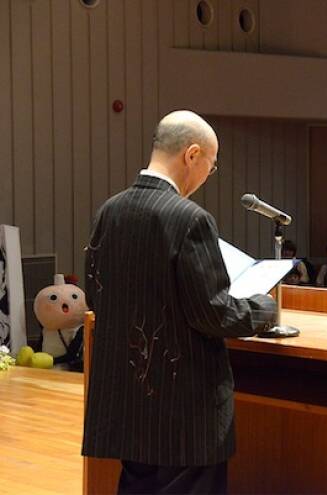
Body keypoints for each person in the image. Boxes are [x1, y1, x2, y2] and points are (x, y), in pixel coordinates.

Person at [83, 110, 277, 494]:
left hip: (128, 400)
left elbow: (97, 292)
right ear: (192, 155)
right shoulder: (189, 219)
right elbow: (214, 312)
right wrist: (263, 309)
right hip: (182, 410)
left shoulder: (111, 210)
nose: (208, 174)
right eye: (211, 163)